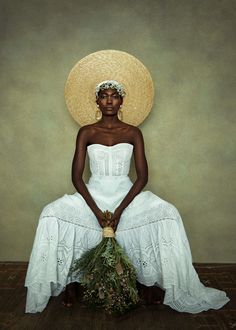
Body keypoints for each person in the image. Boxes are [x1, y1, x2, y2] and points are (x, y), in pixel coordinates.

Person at [25, 51, 229, 314]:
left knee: (168, 213)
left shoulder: (133, 132)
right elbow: (77, 177)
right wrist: (98, 212)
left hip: (126, 192)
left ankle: (151, 280)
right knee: (51, 213)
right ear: (96, 101)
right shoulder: (86, 132)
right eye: (104, 95)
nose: (109, 100)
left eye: (114, 95)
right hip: (94, 192)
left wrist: (119, 210)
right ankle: (70, 282)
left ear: (122, 101)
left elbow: (142, 177)